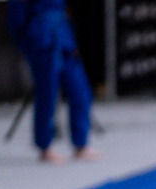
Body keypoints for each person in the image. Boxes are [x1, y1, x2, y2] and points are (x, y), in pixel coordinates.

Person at [7, 0, 97, 162]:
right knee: (47, 94)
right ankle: (45, 147)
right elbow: (16, 14)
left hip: (63, 34)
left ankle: (81, 144)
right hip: (41, 36)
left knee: (81, 91)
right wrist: (25, 43)